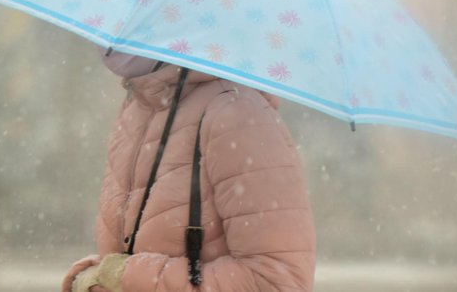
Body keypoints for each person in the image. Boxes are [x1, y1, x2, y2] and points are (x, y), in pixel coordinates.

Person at [62, 50, 315, 291]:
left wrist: (128, 276)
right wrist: (96, 278)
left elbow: (275, 282)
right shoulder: (138, 107)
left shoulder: (239, 114)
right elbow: (129, 258)